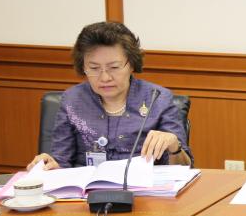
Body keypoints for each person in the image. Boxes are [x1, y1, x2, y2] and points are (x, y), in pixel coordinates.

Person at [28, 22, 192, 169]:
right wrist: (49, 165)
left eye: (114, 67)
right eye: (94, 68)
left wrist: (174, 146)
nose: (105, 77)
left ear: (131, 64)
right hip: (87, 191)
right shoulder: (72, 100)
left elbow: (186, 168)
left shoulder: (157, 98)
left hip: (145, 190)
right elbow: (61, 162)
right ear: (83, 67)